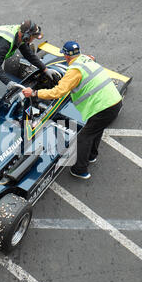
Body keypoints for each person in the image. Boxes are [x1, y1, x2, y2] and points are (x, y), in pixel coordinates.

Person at [22, 41, 123, 179]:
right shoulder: (86, 59)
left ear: (66, 56)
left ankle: (80, 169)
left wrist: (34, 93)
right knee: (96, 130)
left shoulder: (74, 71)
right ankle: (92, 156)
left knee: (83, 137)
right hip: (115, 101)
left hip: (104, 107)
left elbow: (57, 92)